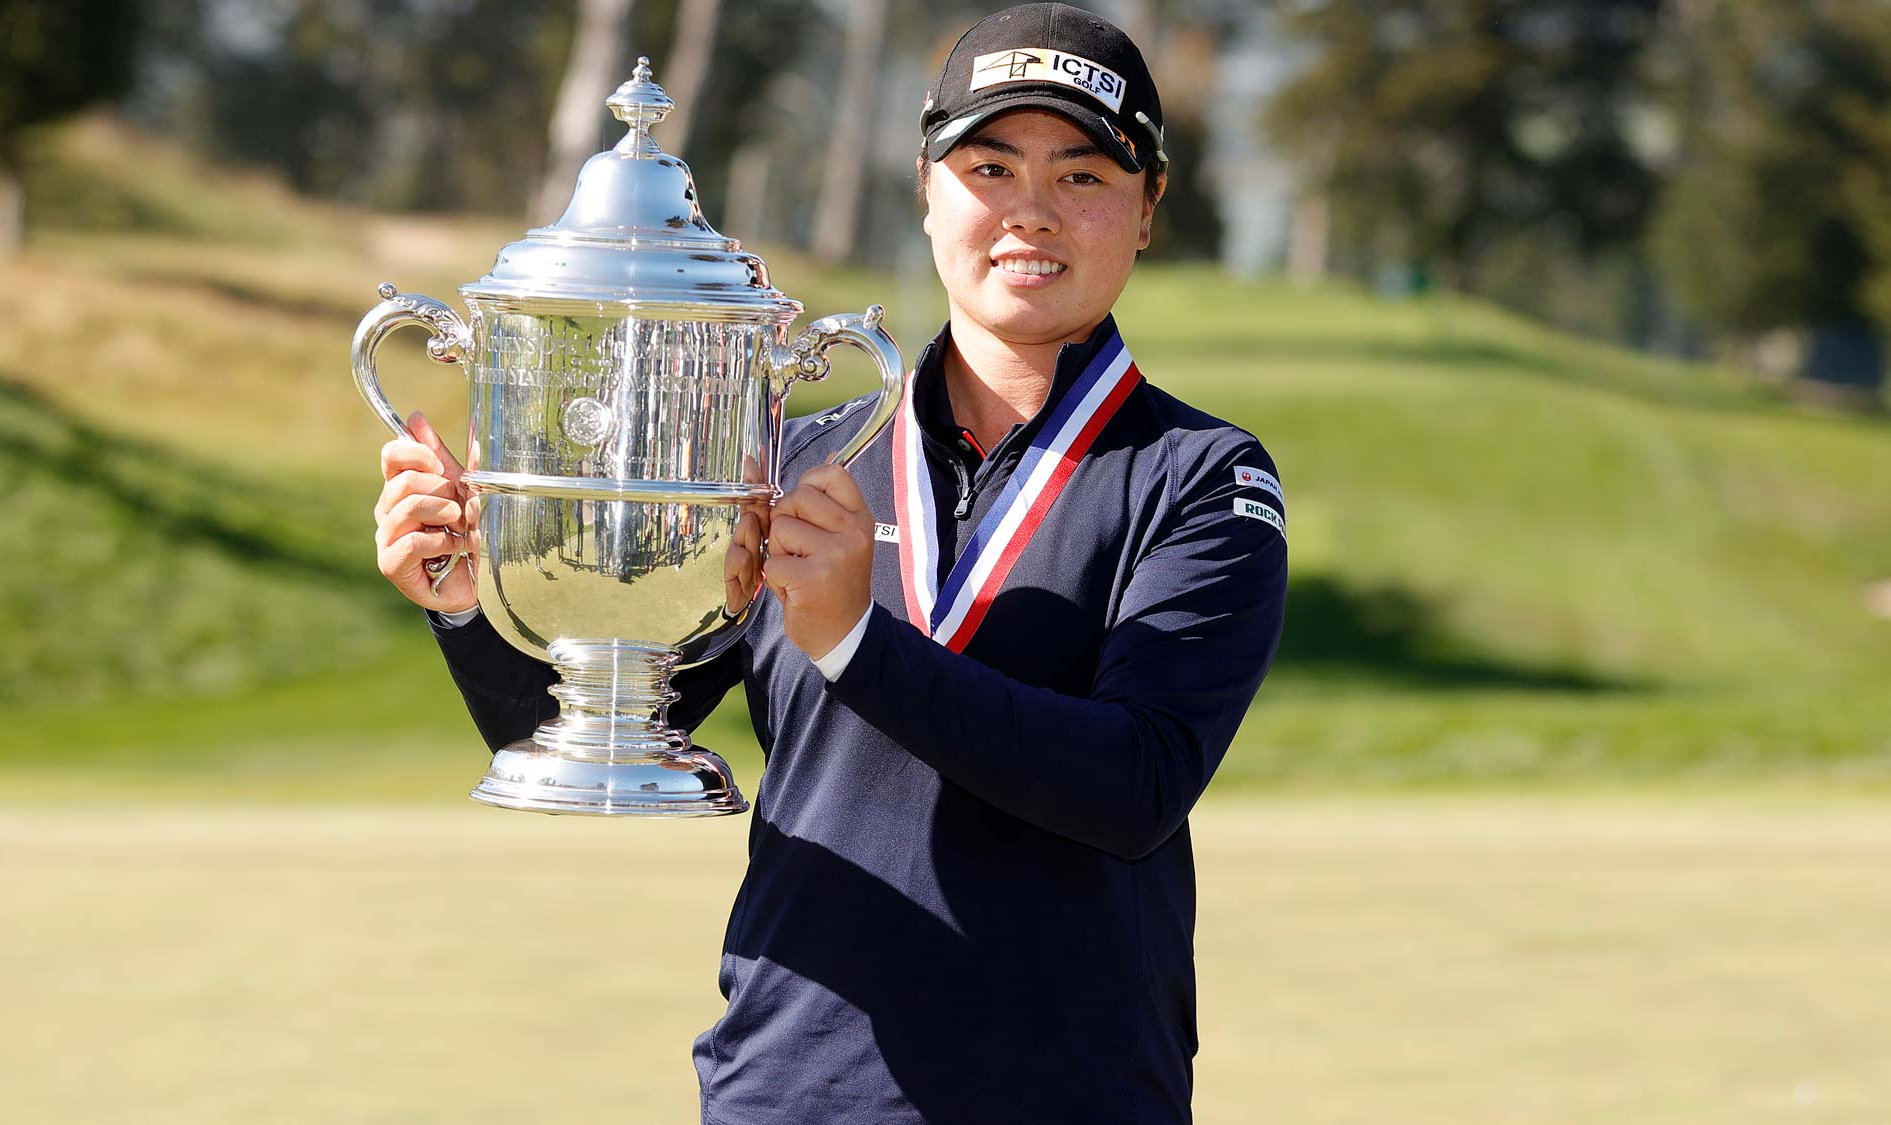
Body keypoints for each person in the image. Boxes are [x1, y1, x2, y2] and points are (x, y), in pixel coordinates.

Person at [372, 5, 1287, 1121]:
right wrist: (471, 603)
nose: (1030, 212)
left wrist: (857, 643)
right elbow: (600, 722)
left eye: (1083, 175)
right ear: (925, 190)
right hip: (792, 1089)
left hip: (1072, 1092)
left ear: (1146, 209)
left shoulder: (1201, 478)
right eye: (989, 166)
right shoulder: (796, 459)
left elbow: (1133, 785)